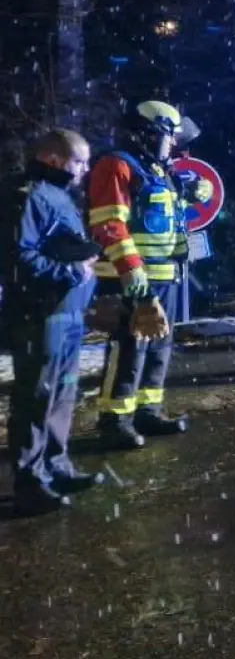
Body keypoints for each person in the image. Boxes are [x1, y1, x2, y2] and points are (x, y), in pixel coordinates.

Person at [2, 129, 104, 512]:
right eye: (79, 161)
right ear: (53, 159)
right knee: (36, 396)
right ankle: (30, 482)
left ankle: (56, 465)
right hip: (39, 314)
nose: (85, 170)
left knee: (63, 392)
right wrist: (73, 272)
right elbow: (18, 260)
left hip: (66, 312)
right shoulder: (25, 197)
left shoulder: (57, 194)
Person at [88, 100, 198, 450]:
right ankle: (114, 419)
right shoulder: (116, 165)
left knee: (159, 345)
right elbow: (111, 226)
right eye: (171, 136)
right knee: (130, 345)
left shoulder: (155, 170)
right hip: (128, 276)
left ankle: (147, 410)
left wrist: (190, 193)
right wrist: (133, 277)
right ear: (149, 133)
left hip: (164, 274)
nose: (176, 145)